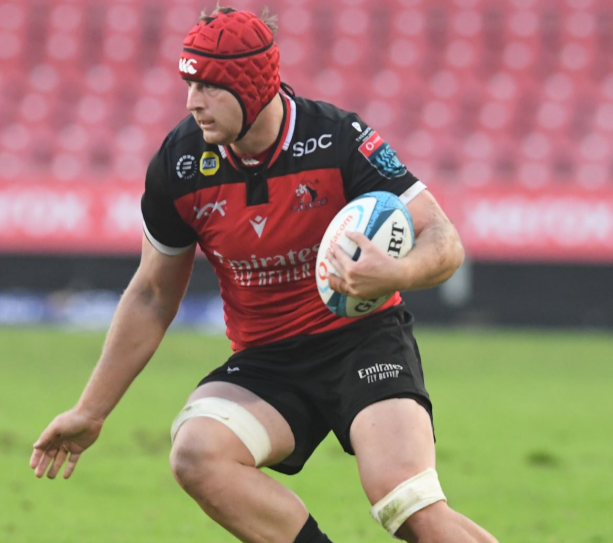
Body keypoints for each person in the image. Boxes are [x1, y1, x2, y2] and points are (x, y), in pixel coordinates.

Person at [30, 6, 499, 543]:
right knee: (197, 453)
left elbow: (444, 240)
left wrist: (395, 270)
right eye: (189, 83)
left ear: (251, 86)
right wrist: (91, 411)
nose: (192, 102)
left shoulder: (339, 138)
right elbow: (153, 296)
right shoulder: (180, 165)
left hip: (362, 345)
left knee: (407, 506)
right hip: (268, 361)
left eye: (208, 86)